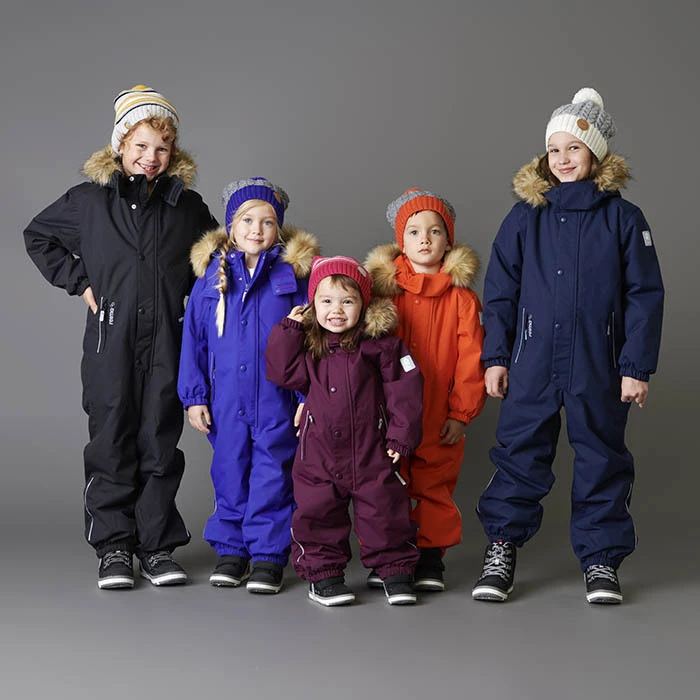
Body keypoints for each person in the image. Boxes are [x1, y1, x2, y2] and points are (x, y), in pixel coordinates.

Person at [472, 88, 664, 605]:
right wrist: (496, 357)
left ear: (595, 154)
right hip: (532, 361)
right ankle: (502, 546)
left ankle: (601, 559)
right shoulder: (524, 217)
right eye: (553, 149)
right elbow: (501, 292)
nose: (562, 158)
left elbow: (644, 295)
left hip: (598, 363)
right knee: (519, 453)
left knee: (601, 457)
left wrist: (635, 366)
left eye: (574, 148)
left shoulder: (624, 219)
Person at [23, 85, 217, 589]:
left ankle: (155, 547)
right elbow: (38, 235)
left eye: (162, 147)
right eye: (141, 145)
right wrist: (80, 281)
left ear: (173, 152)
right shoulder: (89, 202)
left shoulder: (187, 208)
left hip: (167, 344)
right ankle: (113, 547)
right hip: (110, 342)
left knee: (159, 440)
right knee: (111, 439)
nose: (151, 157)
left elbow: (217, 262)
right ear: (120, 144)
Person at [178, 178, 319, 594]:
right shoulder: (211, 278)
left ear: (279, 228)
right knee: (229, 470)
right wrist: (194, 397)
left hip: (277, 398)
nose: (257, 230)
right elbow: (193, 340)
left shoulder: (293, 276)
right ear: (231, 226)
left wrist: (305, 396)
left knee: (273, 473)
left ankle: (267, 555)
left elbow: (312, 342)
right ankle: (232, 550)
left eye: (267, 222)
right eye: (247, 220)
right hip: (226, 399)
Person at [265, 256, 423, 606]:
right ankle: (324, 575)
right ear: (312, 305)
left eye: (347, 301)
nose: (336, 310)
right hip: (318, 453)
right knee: (317, 512)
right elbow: (280, 371)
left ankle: (395, 569)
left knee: (384, 510)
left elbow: (405, 388)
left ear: (363, 305)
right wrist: (289, 329)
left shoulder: (381, 345)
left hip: (371, 449)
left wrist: (401, 434)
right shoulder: (310, 347)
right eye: (326, 301)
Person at [365, 189, 486, 591]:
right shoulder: (382, 293)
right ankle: (389, 553)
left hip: (438, 408)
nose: (425, 239)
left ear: (448, 241)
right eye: (414, 231)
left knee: (434, 480)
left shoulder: (461, 298)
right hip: (389, 410)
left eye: (435, 231)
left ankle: (431, 556)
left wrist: (461, 412)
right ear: (400, 241)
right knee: (387, 478)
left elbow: (472, 359)